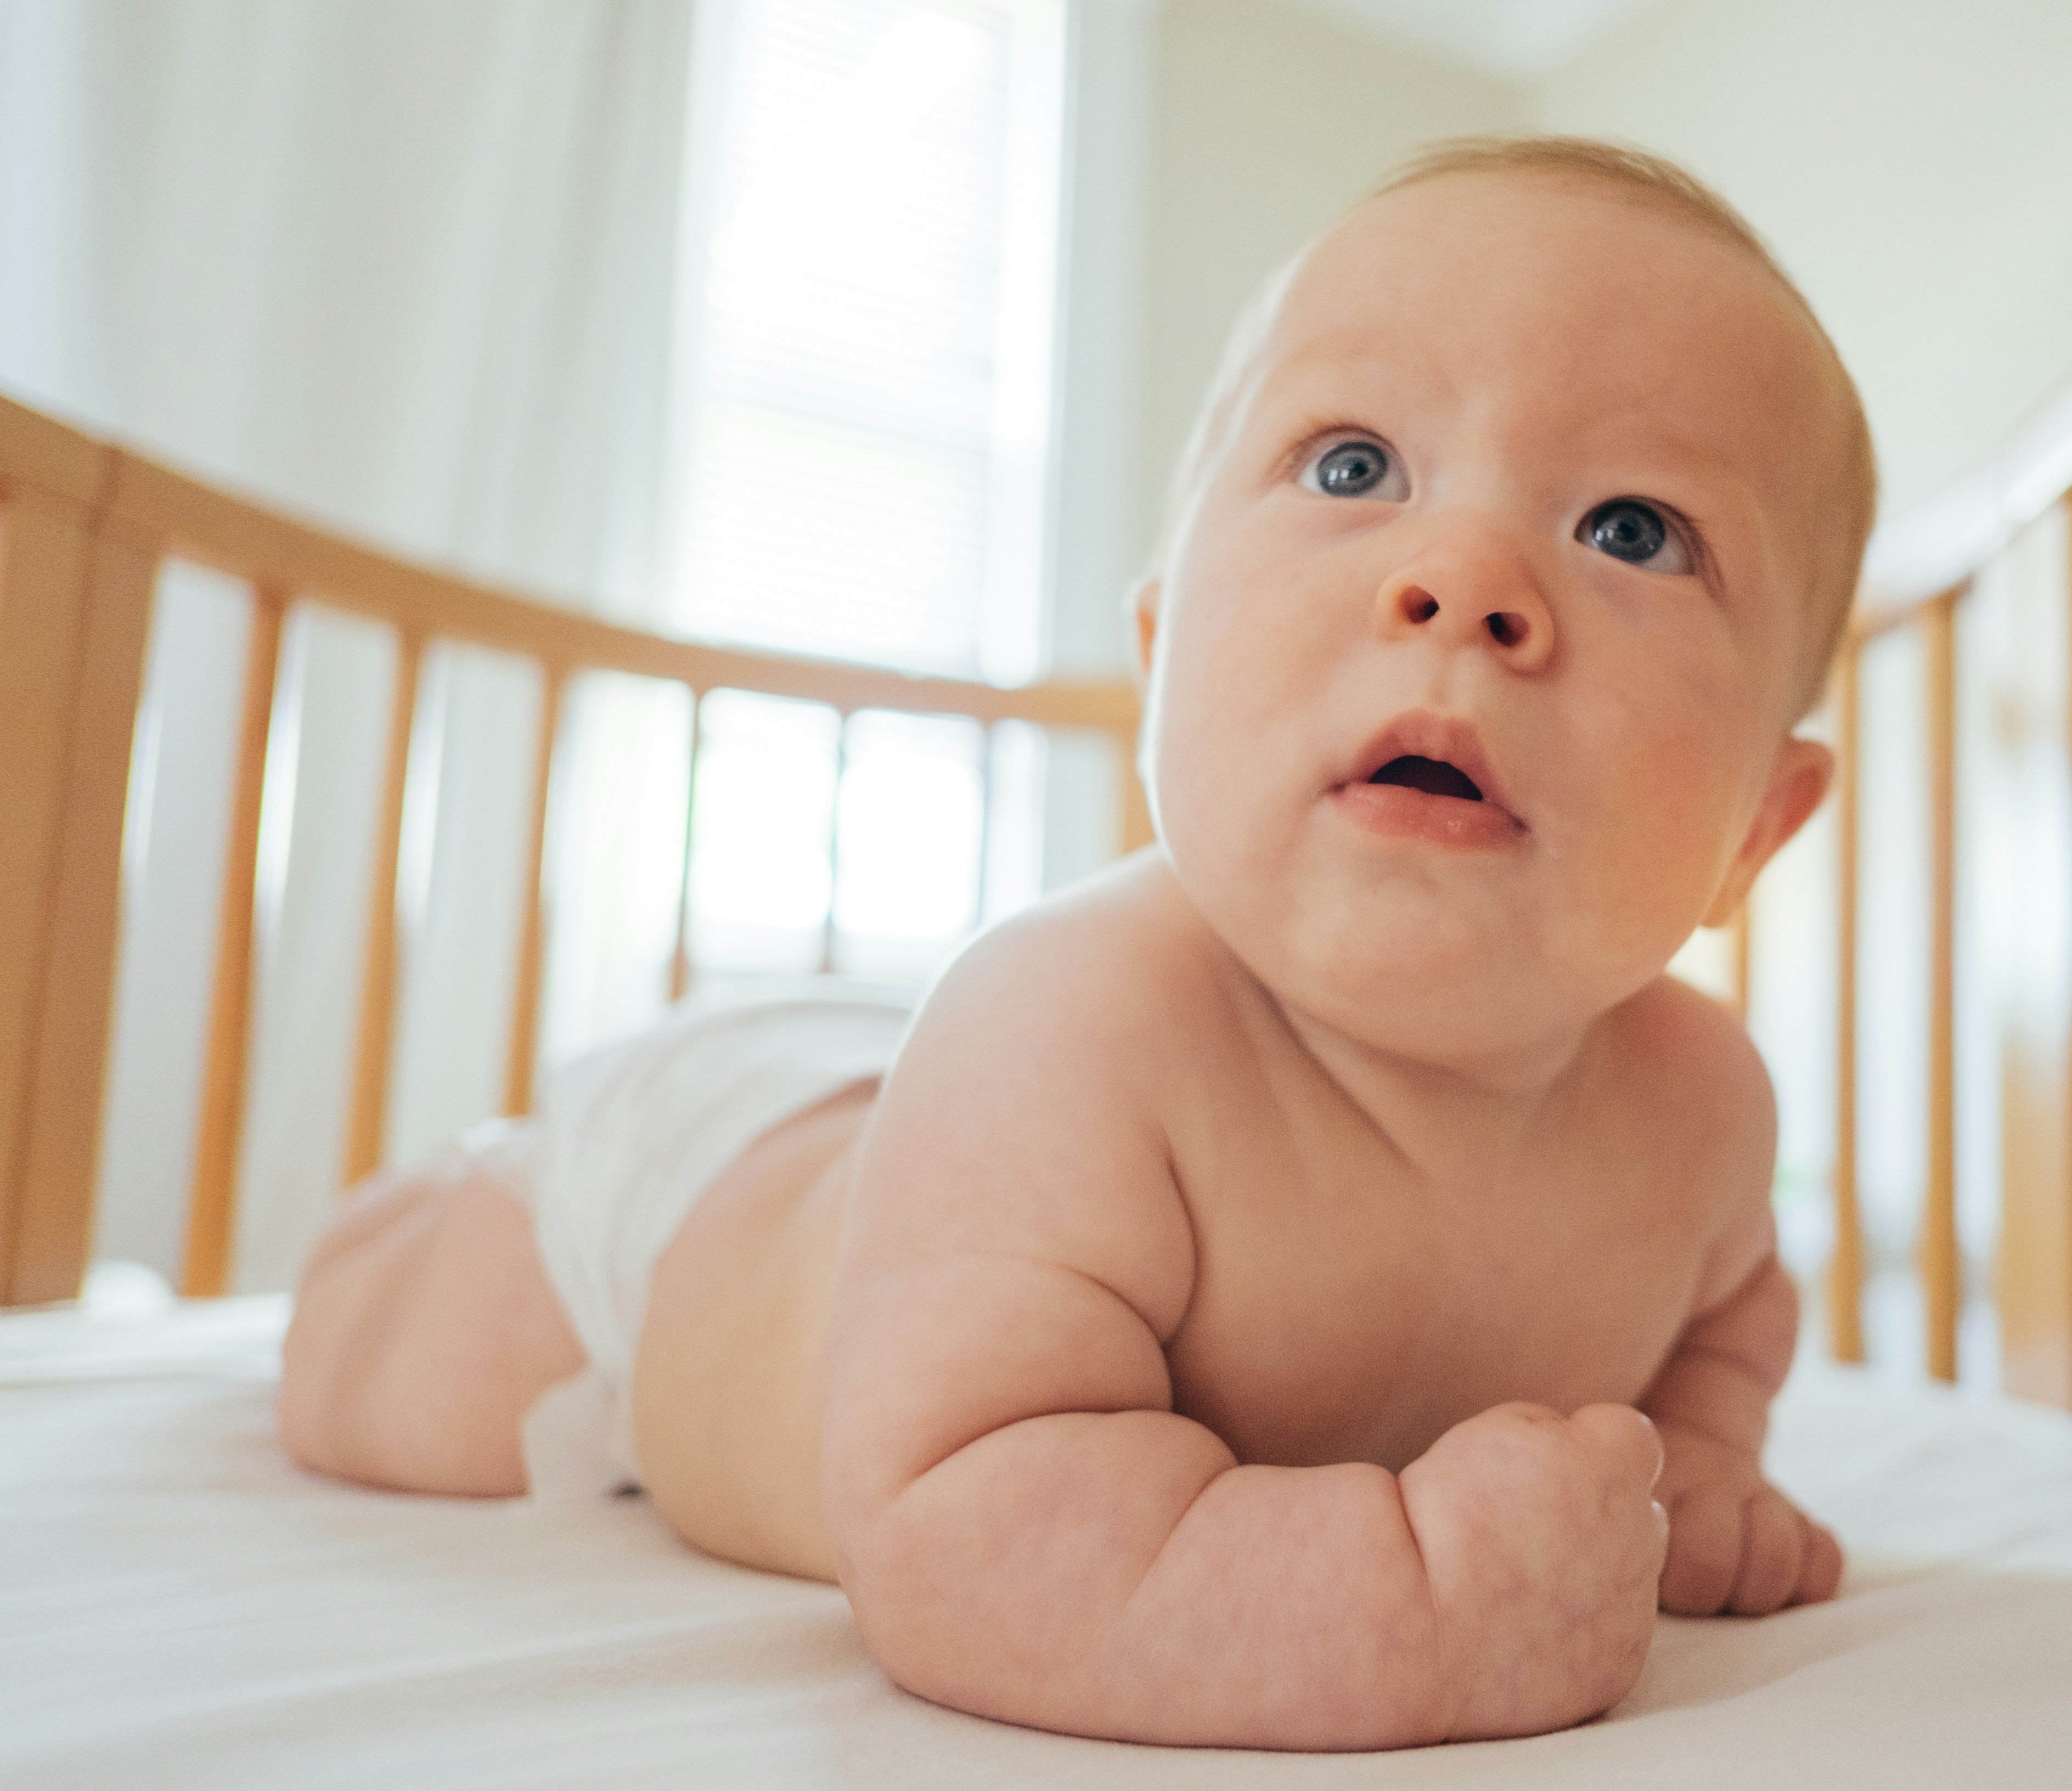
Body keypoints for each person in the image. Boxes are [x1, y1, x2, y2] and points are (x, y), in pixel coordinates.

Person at [279, 134, 1877, 1751]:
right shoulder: (1076, 1025)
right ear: (1160, 648)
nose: (1463, 581)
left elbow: (1727, 1319)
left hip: (902, 1121)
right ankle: (434, 1200)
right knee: (384, 1384)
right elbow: (958, 1535)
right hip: (690, 1215)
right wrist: (1413, 1614)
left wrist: (1703, 1460)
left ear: (1757, 827)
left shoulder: (1706, 1110)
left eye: (1632, 530)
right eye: (1352, 467)